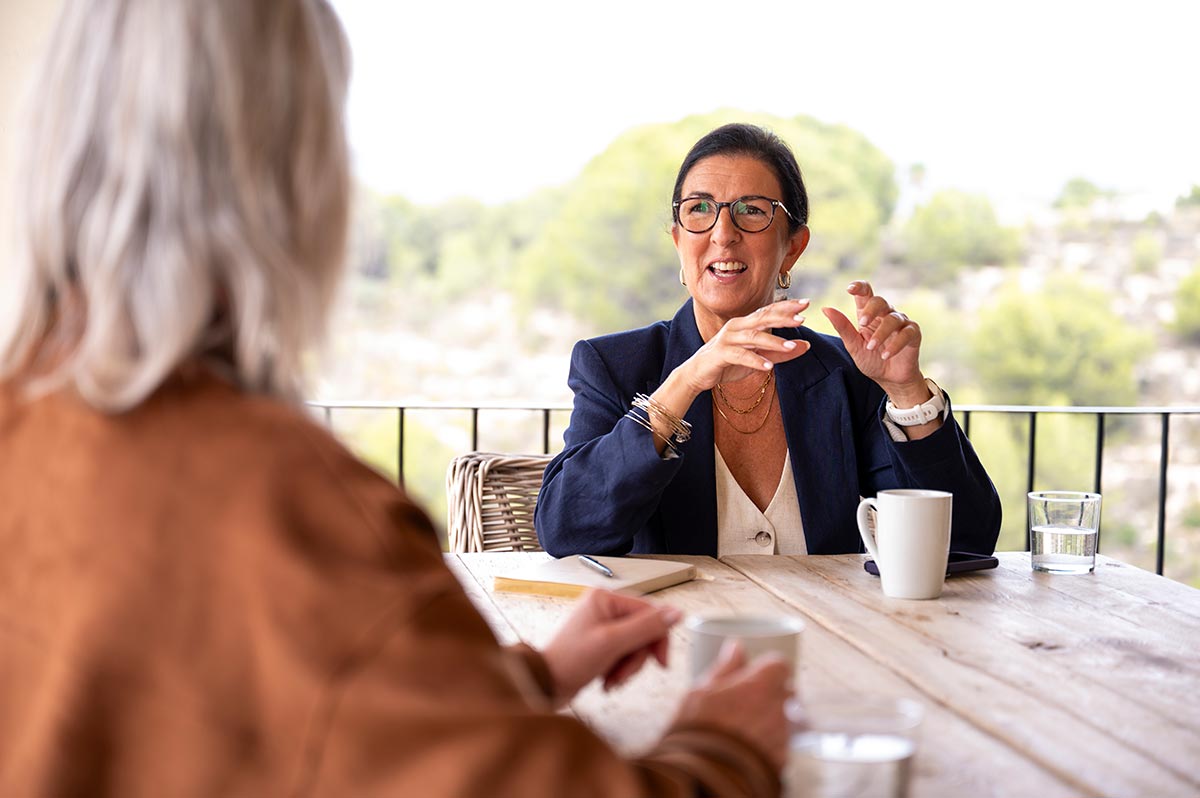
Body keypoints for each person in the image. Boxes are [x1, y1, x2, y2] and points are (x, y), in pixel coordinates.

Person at [0, 3, 792, 796]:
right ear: (294, 174)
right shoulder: (288, 503)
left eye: (751, 214)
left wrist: (528, 679)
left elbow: (227, 721)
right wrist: (721, 747)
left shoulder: (26, 425)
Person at [536, 123, 1001, 557]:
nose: (722, 234)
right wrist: (684, 384)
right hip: (680, 638)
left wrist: (905, 393)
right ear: (679, 240)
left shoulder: (844, 373)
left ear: (792, 247)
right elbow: (565, 530)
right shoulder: (614, 365)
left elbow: (967, 541)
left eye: (752, 211)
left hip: (830, 637)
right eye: (699, 209)